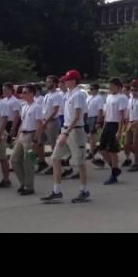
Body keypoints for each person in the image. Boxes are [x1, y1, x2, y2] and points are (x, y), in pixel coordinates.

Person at [41, 70, 90, 204]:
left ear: (74, 81)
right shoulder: (68, 94)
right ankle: (57, 191)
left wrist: (66, 133)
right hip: (66, 130)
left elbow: (77, 116)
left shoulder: (79, 95)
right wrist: (63, 132)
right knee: (55, 158)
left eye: (67, 80)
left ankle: (84, 190)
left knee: (80, 162)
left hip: (75, 131)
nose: (64, 82)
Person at [11, 84, 43, 195]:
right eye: (22, 92)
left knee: (28, 162)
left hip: (31, 135)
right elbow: (22, 123)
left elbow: (39, 124)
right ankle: (23, 183)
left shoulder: (37, 106)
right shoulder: (24, 106)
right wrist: (17, 136)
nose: (22, 94)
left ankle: (29, 187)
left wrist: (36, 139)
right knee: (14, 159)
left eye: (25, 92)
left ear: (31, 93)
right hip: (22, 135)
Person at [98, 78, 127, 185]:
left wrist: (119, 131)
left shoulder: (122, 97)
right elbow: (107, 113)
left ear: (118, 87)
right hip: (108, 124)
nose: (110, 87)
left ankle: (114, 174)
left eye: (112, 86)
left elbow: (121, 116)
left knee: (112, 150)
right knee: (101, 149)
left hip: (115, 124)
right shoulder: (109, 97)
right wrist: (104, 126)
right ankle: (114, 168)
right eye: (110, 85)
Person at [37, 75, 62, 175]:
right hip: (44, 121)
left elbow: (55, 111)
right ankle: (41, 162)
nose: (47, 83)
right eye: (47, 81)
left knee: (53, 144)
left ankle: (56, 165)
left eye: (49, 82)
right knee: (39, 143)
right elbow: (44, 109)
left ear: (55, 83)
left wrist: (46, 122)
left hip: (51, 122)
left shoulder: (57, 95)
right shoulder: (47, 95)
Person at [85, 83, 105, 162]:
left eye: (92, 89)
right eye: (90, 89)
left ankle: (92, 152)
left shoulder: (99, 98)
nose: (90, 90)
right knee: (89, 136)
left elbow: (100, 110)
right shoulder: (89, 97)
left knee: (92, 136)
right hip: (88, 117)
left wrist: (98, 121)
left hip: (94, 117)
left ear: (96, 90)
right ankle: (93, 150)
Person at [3, 82, 22, 147]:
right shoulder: (4, 100)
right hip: (4, 122)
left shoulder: (15, 101)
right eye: (3, 90)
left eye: (5, 90)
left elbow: (16, 115)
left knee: (9, 143)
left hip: (11, 123)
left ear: (10, 90)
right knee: (4, 143)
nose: (4, 91)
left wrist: (13, 128)